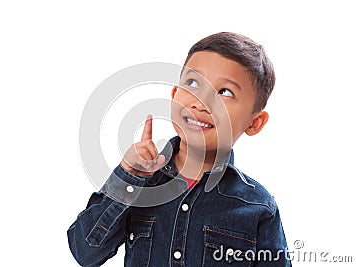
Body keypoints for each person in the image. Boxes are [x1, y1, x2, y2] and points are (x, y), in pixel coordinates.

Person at [68, 32, 291, 266]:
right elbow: (85, 252)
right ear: (175, 95)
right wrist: (127, 177)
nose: (201, 102)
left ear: (254, 123)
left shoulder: (258, 206)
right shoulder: (138, 186)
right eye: (193, 83)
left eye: (225, 92)